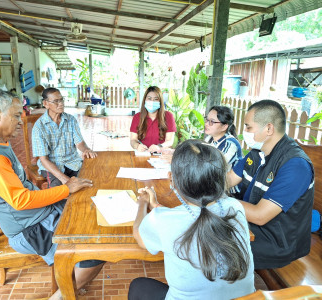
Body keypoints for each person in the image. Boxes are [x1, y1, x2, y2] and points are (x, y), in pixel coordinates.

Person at [0, 91, 104, 299]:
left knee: (86, 215)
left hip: (39, 215)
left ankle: (72, 282)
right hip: (29, 229)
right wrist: (66, 188)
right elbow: (21, 200)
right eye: (15, 116)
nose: (21, 121)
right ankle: (60, 295)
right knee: (97, 246)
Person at [129, 140, 254, 300]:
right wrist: (157, 206)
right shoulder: (234, 207)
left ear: (171, 178)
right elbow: (195, 215)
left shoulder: (163, 221)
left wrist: (142, 204)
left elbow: (139, 235)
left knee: (138, 286)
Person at [227, 99, 314, 269]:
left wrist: (219, 200)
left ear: (268, 128)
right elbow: (228, 179)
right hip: (252, 226)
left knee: (213, 243)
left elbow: (260, 216)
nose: (245, 131)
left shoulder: (295, 165)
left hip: (278, 242)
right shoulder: (256, 153)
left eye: (248, 127)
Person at [32, 87, 97, 188]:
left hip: (73, 162)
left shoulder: (70, 120)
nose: (61, 103)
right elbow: (44, 160)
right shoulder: (39, 127)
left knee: (89, 182)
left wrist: (86, 149)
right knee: (60, 192)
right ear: (45, 104)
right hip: (52, 166)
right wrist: (65, 180)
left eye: (61, 100)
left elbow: (79, 143)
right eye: (56, 101)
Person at [204, 105, 242, 195]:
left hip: (229, 192)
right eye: (207, 120)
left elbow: (213, 166)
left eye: (212, 122)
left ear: (224, 127)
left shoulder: (230, 144)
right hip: (212, 185)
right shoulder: (210, 138)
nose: (206, 124)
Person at [130, 86, 176, 153]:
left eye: (156, 99)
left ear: (160, 101)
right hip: (143, 154)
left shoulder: (169, 116)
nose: (152, 101)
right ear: (145, 100)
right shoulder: (137, 117)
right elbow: (133, 140)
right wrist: (137, 146)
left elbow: (170, 141)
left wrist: (159, 147)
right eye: (149, 98)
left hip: (161, 154)